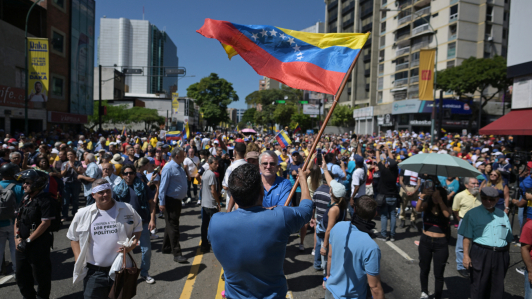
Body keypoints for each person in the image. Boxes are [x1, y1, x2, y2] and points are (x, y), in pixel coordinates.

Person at [208, 164, 312, 299]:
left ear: (233, 194)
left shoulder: (216, 222)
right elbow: (307, 210)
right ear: (262, 191)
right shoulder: (280, 218)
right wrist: (303, 180)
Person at [67, 179, 142, 298]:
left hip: (120, 270)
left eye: (107, 191)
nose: (105, 195)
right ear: (93, 195)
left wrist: (133, 243)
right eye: (101, 192)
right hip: (94, 273)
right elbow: (73, 238)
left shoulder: (126, 209)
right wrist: (78, 259)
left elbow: (138, 226)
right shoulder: (83, 214)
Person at [325, 195, 384, 299]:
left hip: (331, 292)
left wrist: (327, 277)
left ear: (355, 209)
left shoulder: (338, 226)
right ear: (375, 214)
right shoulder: (371, 247)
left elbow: (330, 256)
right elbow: (374, 287)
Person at [459, 186, 513, 299]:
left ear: (498, 199)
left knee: (497, 289)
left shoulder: (503, 215)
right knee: (478, 286)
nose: (488, 201)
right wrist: (465, 256)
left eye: (491, 199)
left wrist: (505, 257)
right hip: (481, 253)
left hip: (500, 254)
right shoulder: (472, 214)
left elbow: (508, 238)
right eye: (484, 198)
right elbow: (467, 237)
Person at [14, 169, 55, 299]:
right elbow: (17, 219)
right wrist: (17, 238)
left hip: (38, 245)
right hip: (22, 244)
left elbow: (45, 223)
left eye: (27, 182)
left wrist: (28, 241)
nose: (24, 185)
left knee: (41, 276)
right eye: (24, 182)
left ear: (37, 183)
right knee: (21, 275)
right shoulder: (26, 198)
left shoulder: (46, 200)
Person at [113, 163, 156, 284]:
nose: (128, 175)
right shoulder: (117, 190)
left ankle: (144, 272)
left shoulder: (142, 186)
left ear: (134, 174)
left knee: (146, 249)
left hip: (142, 222)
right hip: (124, 224)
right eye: (126, 173)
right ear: (122, 175)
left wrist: (152, 220)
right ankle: (123, 275)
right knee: (124, 251)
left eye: (131, 173)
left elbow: (151, 203)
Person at [415, 179, 450, 299]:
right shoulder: (427, 205)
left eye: (438, 195)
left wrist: (439, 200)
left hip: (441, 244)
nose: (435, 197)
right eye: (434, 195)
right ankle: (424, 292)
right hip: (425, 241)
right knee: (424, 269)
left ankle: (438, 296)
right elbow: (418, 209)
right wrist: (422, 196)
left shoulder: (445, 207)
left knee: (439, 273)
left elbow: (447, 215)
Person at [158, 147, 188, 263]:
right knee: (174, 226)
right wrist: (162, 203)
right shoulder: (168, 168)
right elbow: (163, 186)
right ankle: (177, 253)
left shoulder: (179, 166)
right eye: (182, 155)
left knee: (170, 224)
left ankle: (166, 247)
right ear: (177, 156)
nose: (184, 157)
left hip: (177, 201)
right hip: (170, 201)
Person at [319, 159, 347, 281]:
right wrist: (325, 168)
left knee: (328, 261)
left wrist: (324, 246)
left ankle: (328, 279)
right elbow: (330, 181)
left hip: (330, 240)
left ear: (331, 192)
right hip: (333, 237)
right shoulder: (339, 200)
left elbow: (329, 229)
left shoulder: (333, 210)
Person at [0, 163, 23, 277]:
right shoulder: (19, 187)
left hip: (0, 223)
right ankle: (17, 273)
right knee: (15, 249)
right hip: (15, 223)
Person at [376, 143, 399, 241]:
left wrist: (377, 149)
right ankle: (393, 235)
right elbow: (392, 161)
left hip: (384, 196)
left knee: (384, 216)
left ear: (387, 165)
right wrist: (388, 149)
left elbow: (377, 160)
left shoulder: (384, 171)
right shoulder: (395, 171)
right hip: (393, 196)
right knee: (393, 215)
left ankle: (384, 235)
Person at [200, 156, 221, 253]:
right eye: (215, 164)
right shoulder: (212, 175)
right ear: (210, 164)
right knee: (213, 227)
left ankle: (204, 245)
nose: (217, 165)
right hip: (211, 204)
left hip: (204, 204)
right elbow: (213, 191)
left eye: (217, 163)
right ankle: (213, 245)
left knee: (204, 226)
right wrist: (218, 202)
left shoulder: (205, 173)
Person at [60, 149, 84, 221]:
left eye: (71, 154)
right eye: (68, 155)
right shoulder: (64, 164)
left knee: (75, 199)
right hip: (66, 183)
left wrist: (73, 167)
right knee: (65, 200)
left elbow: (80, 172)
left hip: (76, 183)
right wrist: (66, 168)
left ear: (74, 155)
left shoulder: (78, 163)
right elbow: (62, 174)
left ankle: (75, 214)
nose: (69, 156)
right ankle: (64, 215)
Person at [224, 142, 247, 212]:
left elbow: (225, 186)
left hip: (233, 206)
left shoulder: (231, 168)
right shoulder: (248, 166)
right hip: (246, 203)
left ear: (235, 151)